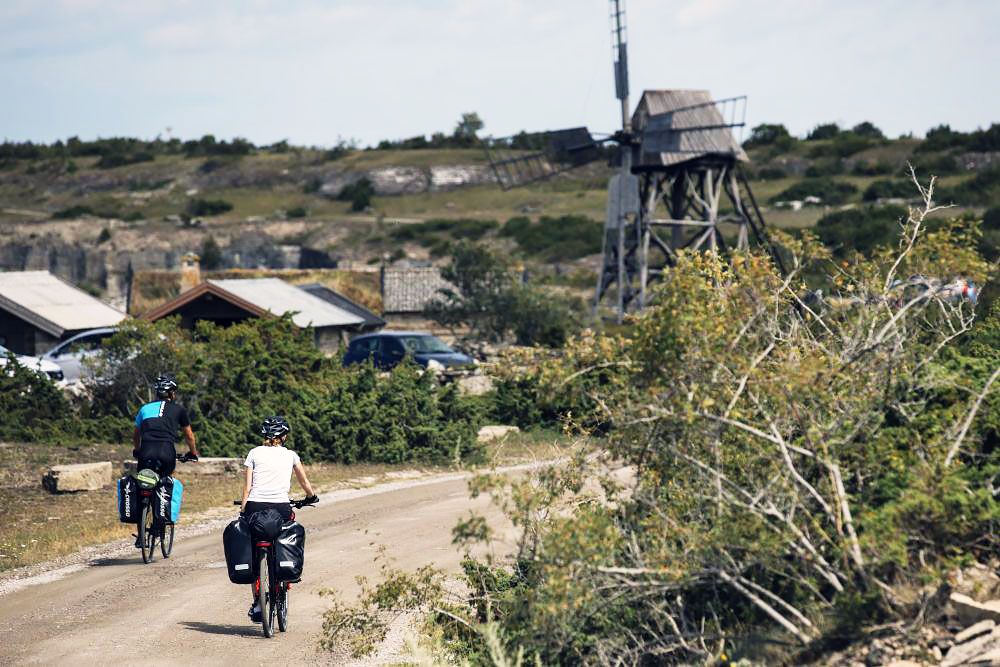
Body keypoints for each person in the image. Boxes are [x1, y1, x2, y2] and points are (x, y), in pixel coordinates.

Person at [241, 416, 317, 621]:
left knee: (254, 552)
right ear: (284, 436)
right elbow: (304, 481)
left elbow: (247, 487)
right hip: (281, 508)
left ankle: (258, 603)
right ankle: (284, 579)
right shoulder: (291, 455)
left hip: (255, 507)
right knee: (286, 529)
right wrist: (311, 497)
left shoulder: (254, 453)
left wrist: (243, 509)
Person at [132, 374, 199, 478]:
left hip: (146, 452)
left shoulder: (144, 408)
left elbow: (136, 435)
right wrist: (193, 453)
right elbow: (189, 436)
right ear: (171, 393)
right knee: (167, 484)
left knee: (142, 484)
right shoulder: (179, 409)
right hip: (166, 452)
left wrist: (137, 450)